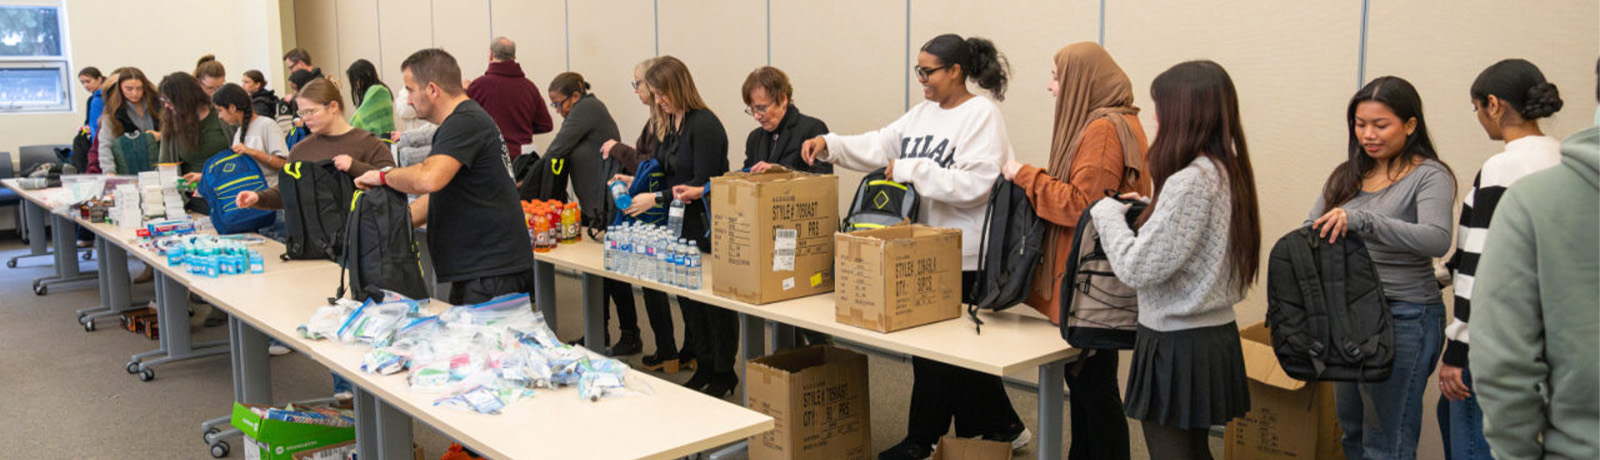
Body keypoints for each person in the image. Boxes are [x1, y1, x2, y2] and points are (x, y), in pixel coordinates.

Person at [800, 34, 1029, 460]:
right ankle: (1001, 428)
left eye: (929, 71)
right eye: (918, 70)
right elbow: (879, 144)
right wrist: (830, 144)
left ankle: (923, 441)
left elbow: (977, 185)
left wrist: (911, 169)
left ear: (956, 71)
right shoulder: (922, 114)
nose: (921, 79)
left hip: (966, 256)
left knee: (945, 358)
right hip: (924, 252)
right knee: (940, 354)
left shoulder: (982, 115)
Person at [1090, 59, 1258, 460]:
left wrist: (1107, 213)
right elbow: (1200, 234)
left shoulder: (1190, 181)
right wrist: (1153, 208)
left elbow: (1137, 268)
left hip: (1178, 342)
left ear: (1184, 112)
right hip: (1210, 336)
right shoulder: (1225, 169)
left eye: (1160, 107)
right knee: (1195, 451)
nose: (1154, 117)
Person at [1000, 42, 1147, 460]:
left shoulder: (1102, 130)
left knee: (1092, 389)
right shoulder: (1123, 122)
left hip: (1089, 288)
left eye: (1057, 76)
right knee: (1090, 387)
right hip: (1101, 284)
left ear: (1083, 81)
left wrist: (1026, 175)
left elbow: (1083, 205)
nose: (1051, 87)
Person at [1309, 76, 1455, 460]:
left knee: (1386, 442)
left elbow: (1437, 238)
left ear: (1410, 125)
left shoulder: (1430, 175)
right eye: (1360, 124)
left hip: (1405, 316)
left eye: (1380, 124)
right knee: (1353, 433)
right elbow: (1312, 228)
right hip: (1351, 317)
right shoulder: (1348, 174)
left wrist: (1365, 222)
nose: (1368, 134)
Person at [1437, 59, 1565, 460]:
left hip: (1497, 343)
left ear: (1494, 104)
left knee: (1472, 442)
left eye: (1476, 108)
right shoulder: (1567, 159)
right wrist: (1441, 273)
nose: (1479, 118)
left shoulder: (1502, 168)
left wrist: (1457, 353)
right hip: (1554, 341)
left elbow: (1480, 267)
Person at [353, 48, 533, 307]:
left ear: (432, 90)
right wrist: (390, 224)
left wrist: (384, 176)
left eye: (410, 90)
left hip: (491, 272)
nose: (408, 100)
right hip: (481, 270)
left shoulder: (465, 122)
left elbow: (429, 178)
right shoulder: (459, 124)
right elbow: (441, 194)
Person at [1470, 101, 1597, 460]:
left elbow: (1476, 263)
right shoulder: (1556, 155)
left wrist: (1458, 342)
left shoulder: (1513, 176)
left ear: (1492, 105)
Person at [615, 56, 733, 397]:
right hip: (677, 225)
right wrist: (636, 180)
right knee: (689, 302)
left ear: (677, 87)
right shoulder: (670, 122)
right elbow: (664, 171)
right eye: (653, 94)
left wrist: (656, 198)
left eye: (661, 93)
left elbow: (703, 181)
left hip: (703, 227)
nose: (658, 101)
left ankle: (724, 372)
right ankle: (705, 365)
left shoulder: (704, 125)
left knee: (713, 307)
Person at [603, 57, 694, 374]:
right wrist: (634, 180)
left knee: (677, 289)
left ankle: (681, 351)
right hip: (657, 208)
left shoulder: (675, 123)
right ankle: (672, 350)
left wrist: (617, 150)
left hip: (663, 212)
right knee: (656, 286)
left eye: (639, 84)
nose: (642, 92)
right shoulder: (662, 121)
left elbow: (651, 165)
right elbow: (651, 169)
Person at [544, 72, 641, 355]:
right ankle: (599, 334)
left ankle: (630, 335)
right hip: (594, 206)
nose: (558, 111)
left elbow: (556, 149)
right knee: (599, 276)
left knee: (614, 277)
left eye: (559, 104)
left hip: (606, 206)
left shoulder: (587, 108)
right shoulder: (583, 109)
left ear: (575, 96)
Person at [465, 37, 553, 158]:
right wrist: (522, 129)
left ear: (490, 55)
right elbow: (546, 125)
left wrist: (463, 92)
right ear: (514, 57)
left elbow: (462, 123)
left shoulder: (478, 86)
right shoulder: (529, 87)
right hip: (523, 161)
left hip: (490, 158)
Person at [739, 66, 831, 174]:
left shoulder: (812, 129)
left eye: (761, 108)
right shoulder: (754, 138)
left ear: (783, 99)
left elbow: (822, 181)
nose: (756, 116)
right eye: (752, 109)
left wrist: (780, 173)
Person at [157, 72, 236, 177]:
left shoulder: (221, 114)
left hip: (229, 183)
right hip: (191, 190)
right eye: (164, 100)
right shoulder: (171, 120)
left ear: (185, 99)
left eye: (169, 101)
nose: (166, 105)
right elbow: (165, 163)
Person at [211, 83, 290, 187]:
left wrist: (253, 152)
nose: (220, 116)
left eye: (220, 111)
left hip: (272, 194)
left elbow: (283, 164)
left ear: (232, 108)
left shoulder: (267, 125)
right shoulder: (239, 133)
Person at [97, 67, 162, 174]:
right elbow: (105, 145)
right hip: (127, 167)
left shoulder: (158, 105)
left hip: (158, 166)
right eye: (129, 89)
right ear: (120, 88)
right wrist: (109, 172)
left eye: (139, 88)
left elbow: (176, 131)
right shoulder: (113, 112)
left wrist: (161, 135)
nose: (135, 93)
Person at [346, 59, 395, 140]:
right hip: (386, 139)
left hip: (380, 141)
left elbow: (359, 119)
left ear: (366, 74)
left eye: (356, 80)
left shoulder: (377, 91)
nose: (356, 84)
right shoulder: (381, 90)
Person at [391, 85, 437, 169]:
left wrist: (407, 135)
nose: (408, 101)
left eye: (412, 92)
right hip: (414, 135)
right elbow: (402, 110)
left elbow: (405, 110)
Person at [79, 67, 106, 140]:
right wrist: (84, 130)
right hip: (95, 140)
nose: (85, 85)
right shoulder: (91, 100)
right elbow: (89, 125)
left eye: (88, 81)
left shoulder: (108, 97)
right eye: (82, 83)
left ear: (99, 79)